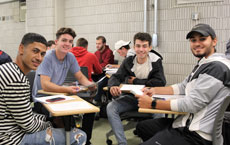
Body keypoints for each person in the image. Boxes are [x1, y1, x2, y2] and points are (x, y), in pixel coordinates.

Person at [135, 23, 230, 145]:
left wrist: (153, 103)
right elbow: (183, 86)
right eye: (193, 40)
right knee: (143, 127)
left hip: (196, 134)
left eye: (202, 39)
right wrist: (154, 90)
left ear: (214, 41)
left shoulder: (216, 67)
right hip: (184, 123)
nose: (197, 43)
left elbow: (192, 104)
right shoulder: (204, 64)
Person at [0, 33, 86, 145]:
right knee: (79, 136)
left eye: (42, 54)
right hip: (11, 139)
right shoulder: (16, 79)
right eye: (35, 51)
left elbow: (25, 116)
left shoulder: (9, 69)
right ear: (21, 48)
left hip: (12, 128)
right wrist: (50, 123)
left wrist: (45, 119)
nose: (39, 58)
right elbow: (29, 126)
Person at [32, 27, 96, 145]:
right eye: (64, 40)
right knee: (64, 120)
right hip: (42, 98)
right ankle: (70, 135)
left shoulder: (70, 57)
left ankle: (85, 140)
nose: (67, 44)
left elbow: (80, 77)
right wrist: (67, 89)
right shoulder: (47, 57)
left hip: (59, 96)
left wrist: (91, 85)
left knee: (91, 108)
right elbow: (45, 85)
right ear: (56, 42)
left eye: (70, 41)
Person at [106, 32, 166, 145]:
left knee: (160, 113)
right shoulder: (129, 61)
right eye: (138, 46)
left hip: (150, 98)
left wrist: (136, 81)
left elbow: (160, 82)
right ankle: (122, 143)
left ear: (149, 48)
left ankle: (153, 142)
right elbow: (116, 76)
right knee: (111, 107)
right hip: (132, 98)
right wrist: (113, 85)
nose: (141, 49)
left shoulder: (155, 61)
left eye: (144, 46)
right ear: (134, 47)